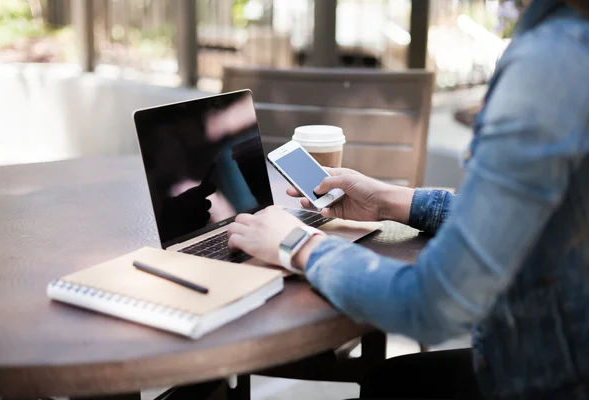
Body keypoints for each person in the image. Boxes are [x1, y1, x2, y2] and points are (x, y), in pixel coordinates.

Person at [226, 0, 589, 398]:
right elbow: (526, 223)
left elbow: (433, 303)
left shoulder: (552, 65)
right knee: (391, 381)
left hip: (541, 380)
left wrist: (297, 243)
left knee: (390, 385)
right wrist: (389, 201)